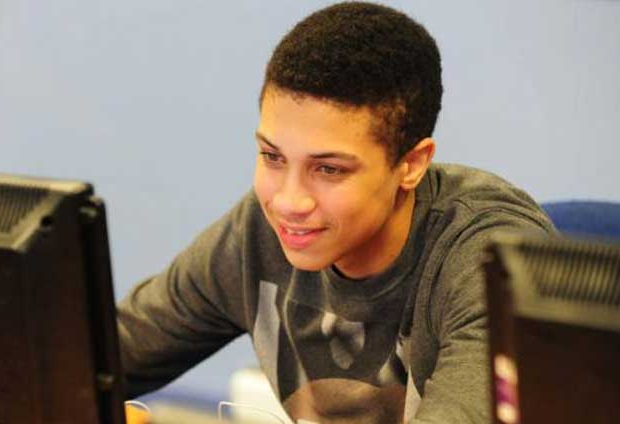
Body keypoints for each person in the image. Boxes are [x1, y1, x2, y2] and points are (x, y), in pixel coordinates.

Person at [117, 2, 554, 423]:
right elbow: (95, 358)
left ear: (411, 164)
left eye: (328, 169)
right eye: (272, 157)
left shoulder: (486, 261)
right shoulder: (260, 230)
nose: (289, 202)